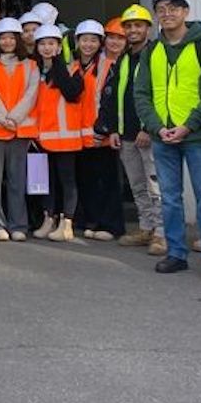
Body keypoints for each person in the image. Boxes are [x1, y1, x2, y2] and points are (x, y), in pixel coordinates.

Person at [134, 0, 201, 281]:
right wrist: (156, 127)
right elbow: (142, 94)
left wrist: (188, 126)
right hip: (163, 137)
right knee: (170, 198)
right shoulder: (153, 50)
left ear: (186, 11)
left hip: (198, 137)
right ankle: (176, 253)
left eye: (174, 8)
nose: (167, 13)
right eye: (161, 9)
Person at [100, 4, 166, 254]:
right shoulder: (125, 58)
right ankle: (146, 227)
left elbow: (160, 94)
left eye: (138, 25)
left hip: (147, 133)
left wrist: (149, 128)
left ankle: (162, 233)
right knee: (137, 185)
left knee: (155, 186)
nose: (133, 30)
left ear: (148, 28)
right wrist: (115, 129)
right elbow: (118, 95)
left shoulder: (157, 53)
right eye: (129, 26)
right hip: (126, 133)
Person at [0, 17, 39, 241]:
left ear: (18, 40)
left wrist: (13, 118)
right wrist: (5, 119)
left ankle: (18, 225)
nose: (7, 42)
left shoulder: (31, 65)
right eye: (3, 38)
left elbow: (31, 95)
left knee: (17, 181)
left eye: (12, 38)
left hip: (19, 132)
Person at [31, 25, 85, 242]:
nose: (47, 48)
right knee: (46, 182)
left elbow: (72, 93)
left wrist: (58, 64)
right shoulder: (35, 70)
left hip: (65, 137)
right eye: (42, 44)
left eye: (52, 43)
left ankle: (67, 223)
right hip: (42, 137)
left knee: (67, 181)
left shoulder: (72, 68)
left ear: (59, 46)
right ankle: (48, 219)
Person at [73, 20, 125, 242]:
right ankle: (92, 221)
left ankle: (111, 225)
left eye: (94, 40)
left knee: (109, 181)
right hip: (82, 134)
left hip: (102, 133)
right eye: (84, 40)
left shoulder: (109, 66)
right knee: (88, 180)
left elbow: (109, 100)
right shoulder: (75, 65)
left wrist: (105, 128)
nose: (88, 44)